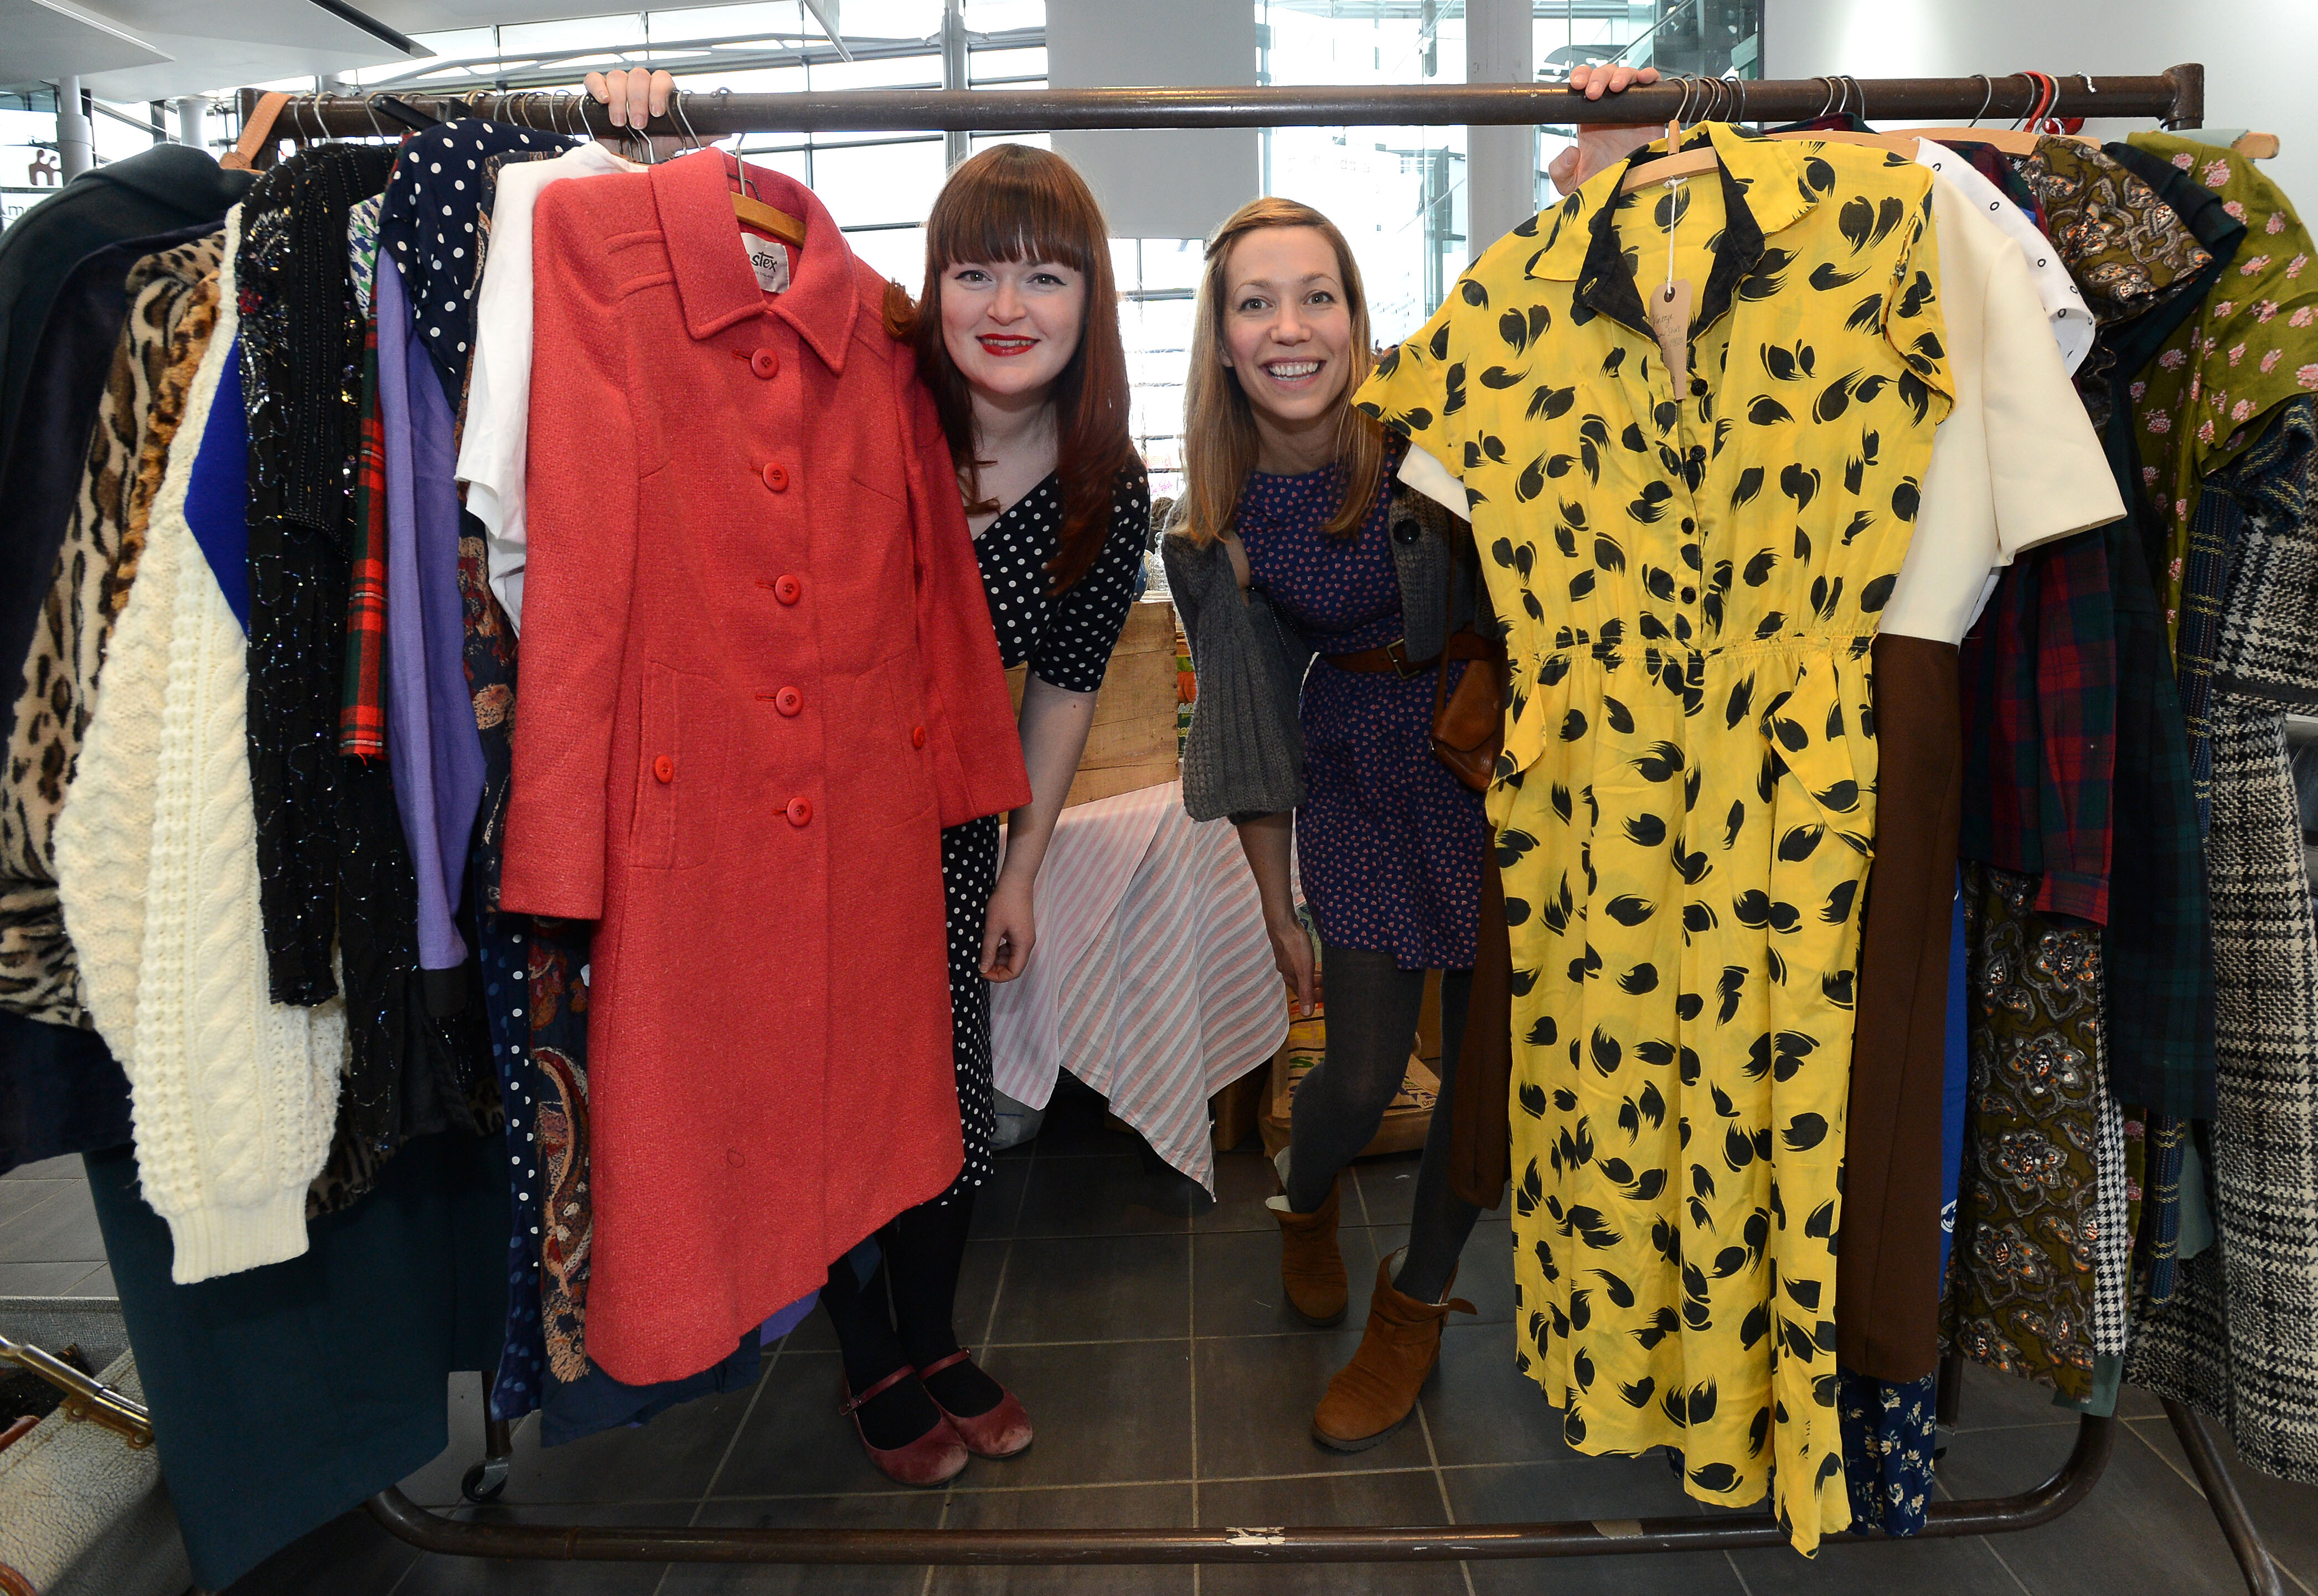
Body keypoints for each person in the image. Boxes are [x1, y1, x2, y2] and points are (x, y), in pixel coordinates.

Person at [586, 69, 1149, 1485]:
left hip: (939, 822)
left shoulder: (1104, 482)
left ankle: (934, 1330)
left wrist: (1021, 866)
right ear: (928, 286)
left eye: (1044, 275)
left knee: (944, 1093)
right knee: (818, 1080)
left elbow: (1065, 685)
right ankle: (870, 1351)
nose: (1006, 306)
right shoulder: (867, 386)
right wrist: (641, 143)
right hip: (785, 809)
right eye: (974, 271)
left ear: (1090, 302)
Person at [1163, 61, 1659, 1453]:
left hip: (1500, 756)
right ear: (1222, 338)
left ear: (1356, 313)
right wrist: (1278, 904)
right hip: (1359, 775)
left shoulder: (1437, 415)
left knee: (1488, 1075)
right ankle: (1306, 1193)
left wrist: (1613, 143)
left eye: (1316, 295)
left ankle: (1417, 1300)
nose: (1290, 326)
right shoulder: (1214, 525)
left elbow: (1559, 308)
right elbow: (1251, 727)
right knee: (1363, 1072)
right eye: (1256, 303)